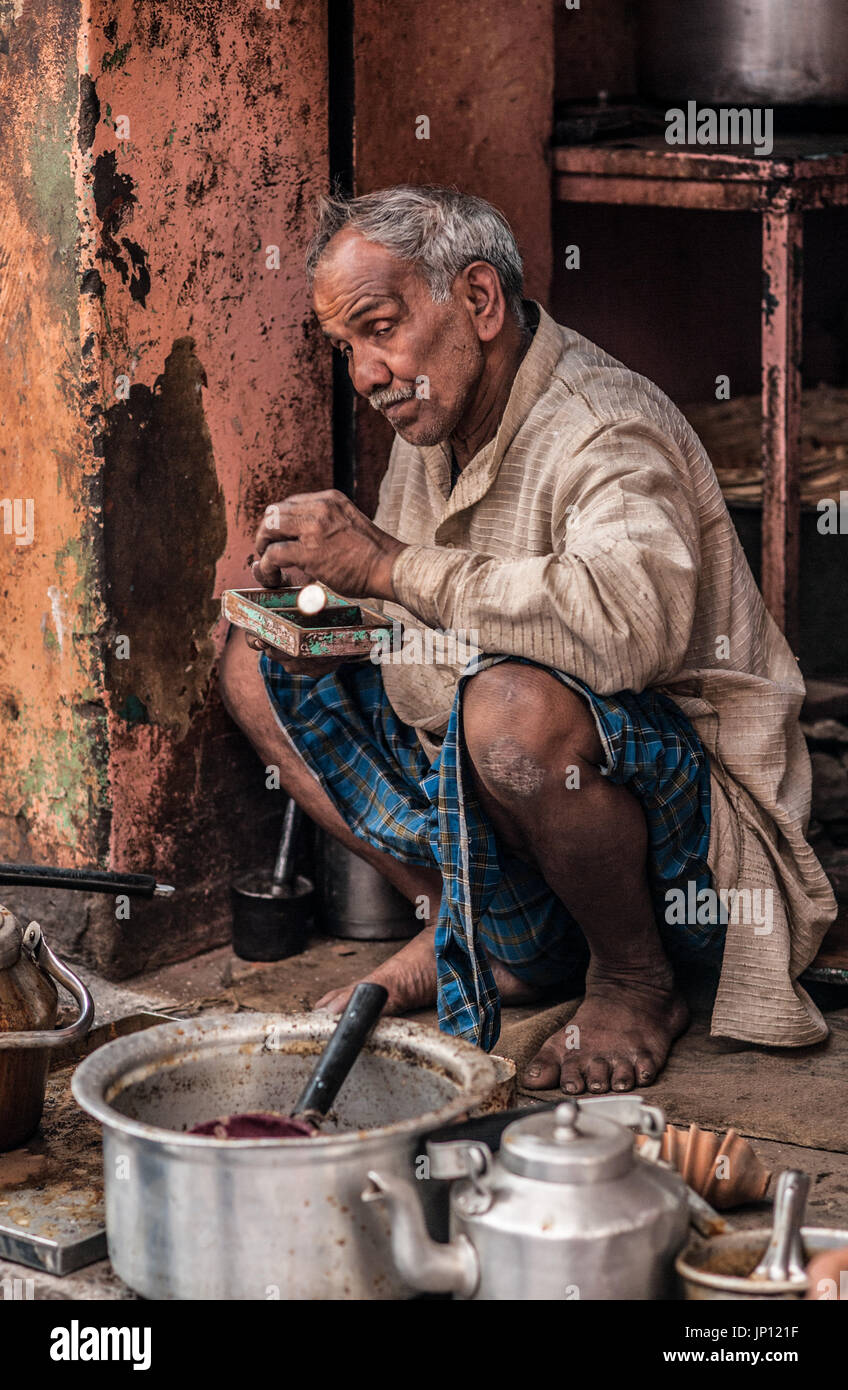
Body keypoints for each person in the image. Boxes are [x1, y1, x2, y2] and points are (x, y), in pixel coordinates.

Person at [219, 185, 836, 1095]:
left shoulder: (604, 425)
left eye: (379, 328)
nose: (366, 372)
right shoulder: (432, 420)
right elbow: (426, 621)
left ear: (477, 300)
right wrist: (343, 631)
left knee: (512, 707)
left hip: (685, 851)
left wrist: (387, 566)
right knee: (256, 663)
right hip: (498, 788)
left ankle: (632, 978)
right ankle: (469, 927)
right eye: (346, 347)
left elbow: (628, 629)